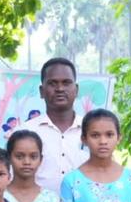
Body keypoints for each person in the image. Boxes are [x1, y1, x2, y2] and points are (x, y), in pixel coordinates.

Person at [18, 58, 89, 194]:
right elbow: (11, 180)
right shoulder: (24, 132)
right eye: (52, 83)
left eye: (66, 83)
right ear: (41, 91)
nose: (60, 89)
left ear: (76, 89)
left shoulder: (93, 132)